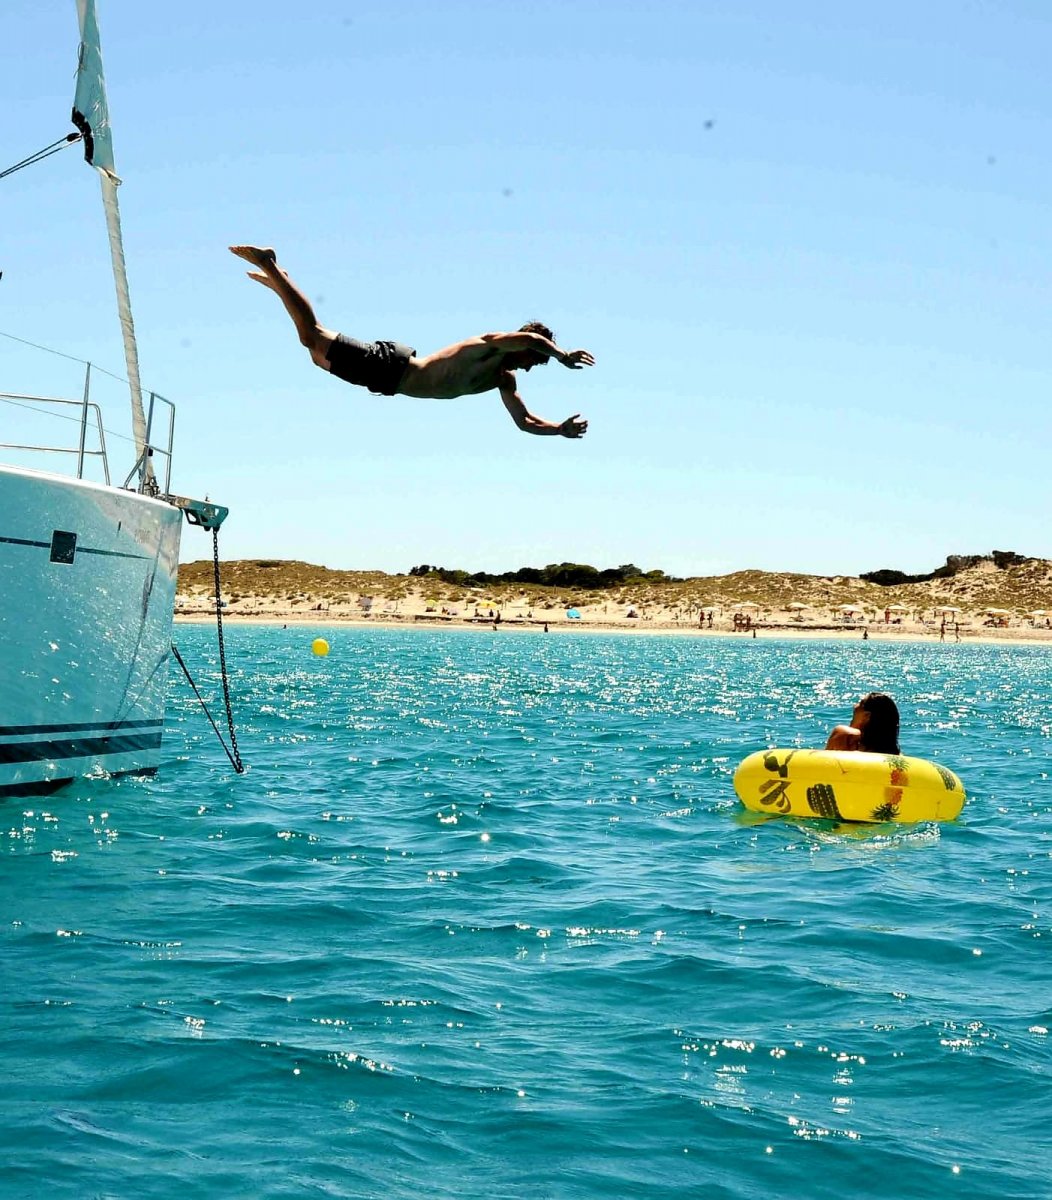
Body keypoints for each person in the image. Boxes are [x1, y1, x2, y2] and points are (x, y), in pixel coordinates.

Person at [230, 245, 592, 438]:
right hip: (394, 365)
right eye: (534, 359)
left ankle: (281, 283)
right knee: (312, 336)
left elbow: (524, 420)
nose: (531, 366)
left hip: (389, 381)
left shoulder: (503, 380)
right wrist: (561, 355)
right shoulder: (492, 345)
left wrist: (559, 429)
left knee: (313, 353)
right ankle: (272, 265)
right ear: (526, 348)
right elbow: (528, 337)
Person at [826, 692, 900, 754]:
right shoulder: (895, 754)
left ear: (867, 716)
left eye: (860, 704)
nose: (855, 706)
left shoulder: (845, 735)